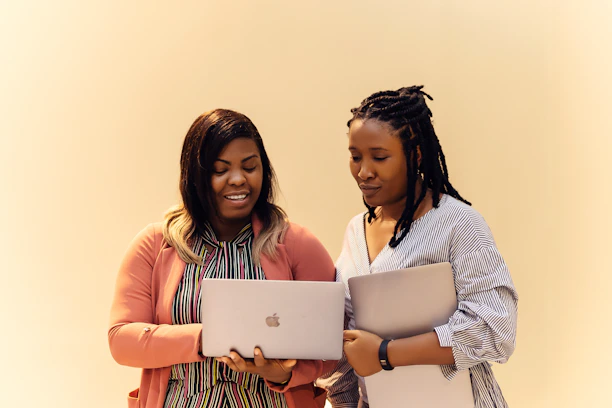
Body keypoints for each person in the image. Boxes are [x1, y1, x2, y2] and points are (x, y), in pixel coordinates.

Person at [109, 109, 336, 408]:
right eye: (221, 170)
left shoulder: (296, 244)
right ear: (196, 176)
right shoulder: (155, 244)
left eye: (250, 167)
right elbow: (122, 340)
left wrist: (282, 374)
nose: (238, 180)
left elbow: (331, 345)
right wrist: (206, 338)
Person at [317, 86, 518, 407]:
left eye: (379, 157)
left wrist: (386, 354)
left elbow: (494, 329)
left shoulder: (459, 223)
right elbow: (348, 339)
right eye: (355, 157)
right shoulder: (355, 231)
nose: (364, 172)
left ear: (416, 155)